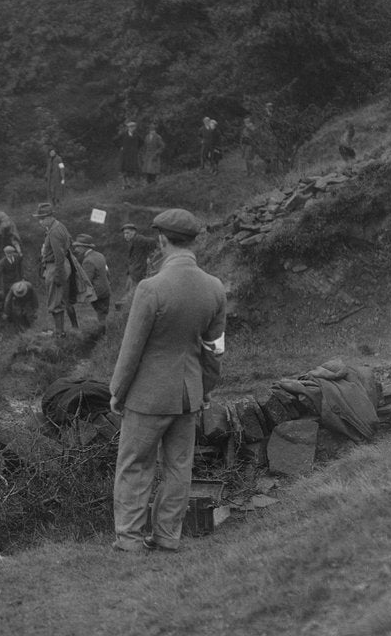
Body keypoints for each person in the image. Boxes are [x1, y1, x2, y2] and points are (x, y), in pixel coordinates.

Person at [108, 208, 226, 553]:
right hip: (188, 395)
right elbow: (214, 350)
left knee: (135, 466)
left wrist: (118, 391)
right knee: (179, 468)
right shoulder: (214, 288)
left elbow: (131, 349)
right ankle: (167, 537)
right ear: (193, 241)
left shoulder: (151, 288)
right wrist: (204, 389)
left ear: (161, 241)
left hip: (148, 396)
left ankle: (129, 539)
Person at [32, 202, 73, 338]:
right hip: (57, 265)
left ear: (49, 217)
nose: (40, 221)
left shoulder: (54, 231)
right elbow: (69, 242)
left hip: (55, 266)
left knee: (55, 301)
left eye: (41, 218)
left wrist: (58, 275)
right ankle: (59, 331)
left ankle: (59, 332)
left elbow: (59, 255)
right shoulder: (59, 226)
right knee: (58, 299)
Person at [117, 223, 157, 311]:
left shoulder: (139, 239)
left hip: (137, 273)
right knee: (128, 294)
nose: (125, 236)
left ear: (134, 232)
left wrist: (150, 257)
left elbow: (154, 242)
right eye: (124, 233)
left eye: (127, 233)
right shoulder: (133, 241)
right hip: (133, 272)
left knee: (132, 296)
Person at [71, 234, 110, 323]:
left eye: (78, 246)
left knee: (101, 316)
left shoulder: (87, 261)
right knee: (103, 314)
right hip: (106, 290)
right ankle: (105, 333)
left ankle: (102, 334)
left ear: (85, 247)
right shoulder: (100, 255)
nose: (76, 249)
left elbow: (86, 280)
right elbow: (107, 272)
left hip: (97, 293)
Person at [118, 120, 143, 188]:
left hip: (133, 155)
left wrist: (136, 148)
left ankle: (133, 184)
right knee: (124, 169)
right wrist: (121, 147)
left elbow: (141, 142)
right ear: (128, 128)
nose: (132, 128)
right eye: (130, 127)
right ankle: (125, 184)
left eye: (133, 127)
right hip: (125, 154)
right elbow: (115, 140)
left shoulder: (136, 135)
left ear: (135, 128)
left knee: (133, 169)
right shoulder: (123, 134)